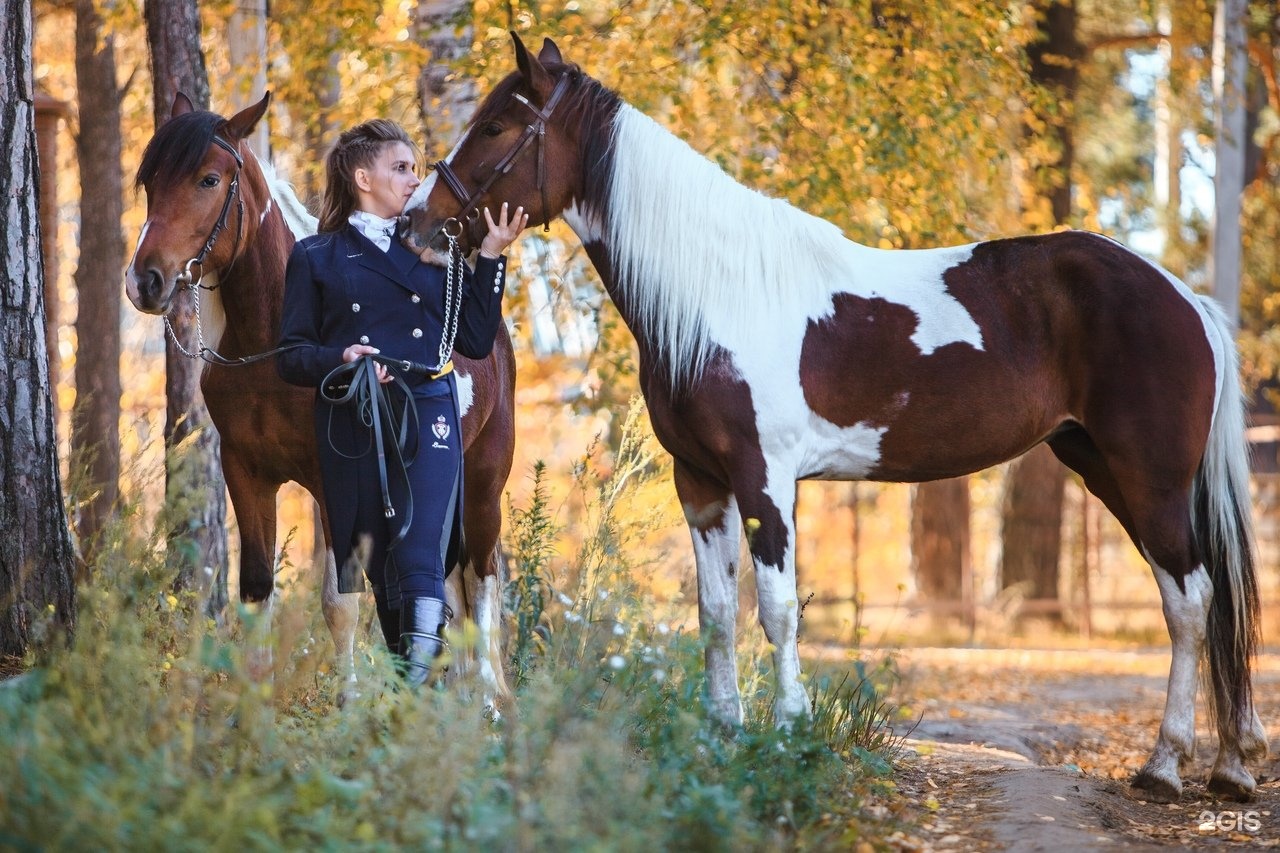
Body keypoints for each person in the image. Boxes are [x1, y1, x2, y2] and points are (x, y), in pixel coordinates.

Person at [276, 119, 526, 686]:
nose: (416, 179)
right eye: (402, 168)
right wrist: (340, 358)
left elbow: (474, 341)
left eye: (415, 168)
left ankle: (419, 700)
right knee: (383, 565)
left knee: (420, 554)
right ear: (363, 177)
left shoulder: (439, 251)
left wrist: (490, 254)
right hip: (354, 417)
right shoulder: (316, 256)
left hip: (429, 407)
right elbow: (291, 357)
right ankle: (410, 707)